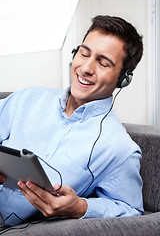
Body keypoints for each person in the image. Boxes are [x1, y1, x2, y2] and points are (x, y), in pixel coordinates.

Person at [0, 15, 143, 228]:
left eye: (103, 63)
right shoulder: (28, 98)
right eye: (84, 53)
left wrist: (80, 208)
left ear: (123, 79)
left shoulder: (119, 149)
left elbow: (132, 212)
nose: (86, 68)